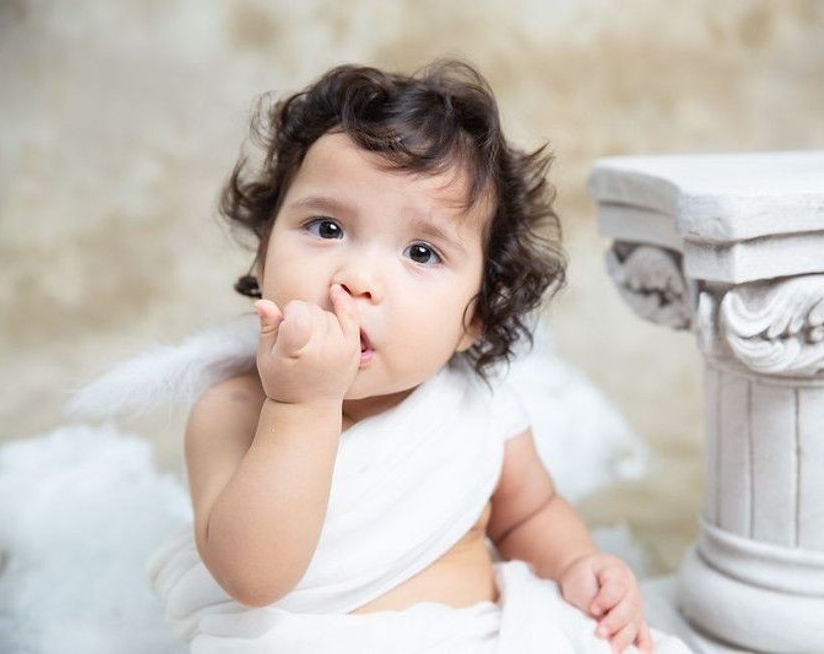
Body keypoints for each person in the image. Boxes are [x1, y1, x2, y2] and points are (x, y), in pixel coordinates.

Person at [144, 60, 690, 654]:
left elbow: (526, 516)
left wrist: (577, 564)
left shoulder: (477, 409)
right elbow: (252, 578)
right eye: (326, 228)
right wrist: (301, 406)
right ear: (262, 257)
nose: (357, 279)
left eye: (422, 252)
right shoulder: (232, 409)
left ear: (474, 318)